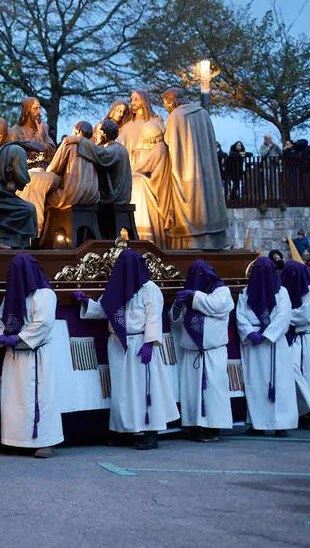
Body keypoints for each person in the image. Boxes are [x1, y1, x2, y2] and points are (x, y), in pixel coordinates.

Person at [76, 249, 179, 449]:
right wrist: (86, 302)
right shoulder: (115, 287)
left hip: (141, 343)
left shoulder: (149, 289)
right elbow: (105, 310)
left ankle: (150, 431)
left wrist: (150, 343)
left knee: (145, 389)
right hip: (118, 344)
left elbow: (154, 317)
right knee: (122, 391)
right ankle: (124, 431)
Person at [0, 254, 61, 457]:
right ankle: (16, 440)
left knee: (39, 398)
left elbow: (43, 323)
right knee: (14, 398)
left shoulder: (44, 295)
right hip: (14, 356)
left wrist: (20, 338)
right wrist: (3, 335)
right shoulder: (12, 296)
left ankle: (45, 441)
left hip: (35, 355)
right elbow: (1, 318)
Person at [170, 261, 235, 441]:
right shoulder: (189, 295)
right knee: (191, 392)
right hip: (192, 353)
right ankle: (194, 426)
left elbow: (216, 307)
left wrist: (194, 295)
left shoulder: (222, 291)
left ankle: (212, 428)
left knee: (213, 391)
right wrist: (177, 306)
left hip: (212, 352)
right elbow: (176, 321)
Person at [236, 256, 298, 435]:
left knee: (280, 383)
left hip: (274, 345)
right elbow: (240, 316)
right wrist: (250, 332)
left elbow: (284, 316)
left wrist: (267, 335)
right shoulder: (246, 293)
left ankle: (281, 424)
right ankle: (259, 424)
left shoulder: (282, 293)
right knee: (255, 384)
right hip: (254, 346)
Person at [162, 89, 230, 250]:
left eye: (165, 102)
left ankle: (190, 242)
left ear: (171, 101)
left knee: (191, 204)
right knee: (207, 200)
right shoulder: (203, 113)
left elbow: (169, 141)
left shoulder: (176, 116)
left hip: (186, 167)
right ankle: (213, 241)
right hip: (206, 168)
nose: (165, 106)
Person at [117, 90, 170, 247]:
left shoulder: (156, 121)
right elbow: (119, 145)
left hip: (151, 168)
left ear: (144, 101)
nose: (133, 102)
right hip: (133, 166)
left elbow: (162, 144)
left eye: (136, 99)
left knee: (139, 187)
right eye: (131, 99)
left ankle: (146, 234)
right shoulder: (127, 127)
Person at [283, 261, 310, 429]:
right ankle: (298, 413)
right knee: (293, 376)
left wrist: (285, 315)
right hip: (291, 340)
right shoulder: (283, 292)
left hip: (308, 339)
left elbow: (306, 315)